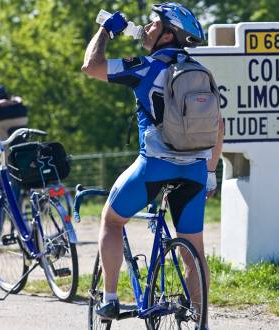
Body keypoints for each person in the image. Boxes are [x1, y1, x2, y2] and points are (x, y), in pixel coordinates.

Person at [81, 2, 223, 327]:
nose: (146, 26)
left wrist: (106, 30)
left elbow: (91, 65)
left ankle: (110, 300)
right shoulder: (201, 72)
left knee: (112, 220)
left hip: (155, 167)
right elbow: (219, 125)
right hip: (197, 170)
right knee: (193, 249)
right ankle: (199, 320)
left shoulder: (144, 67)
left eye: (153, 22)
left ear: (168, 33)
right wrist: (211, 173)